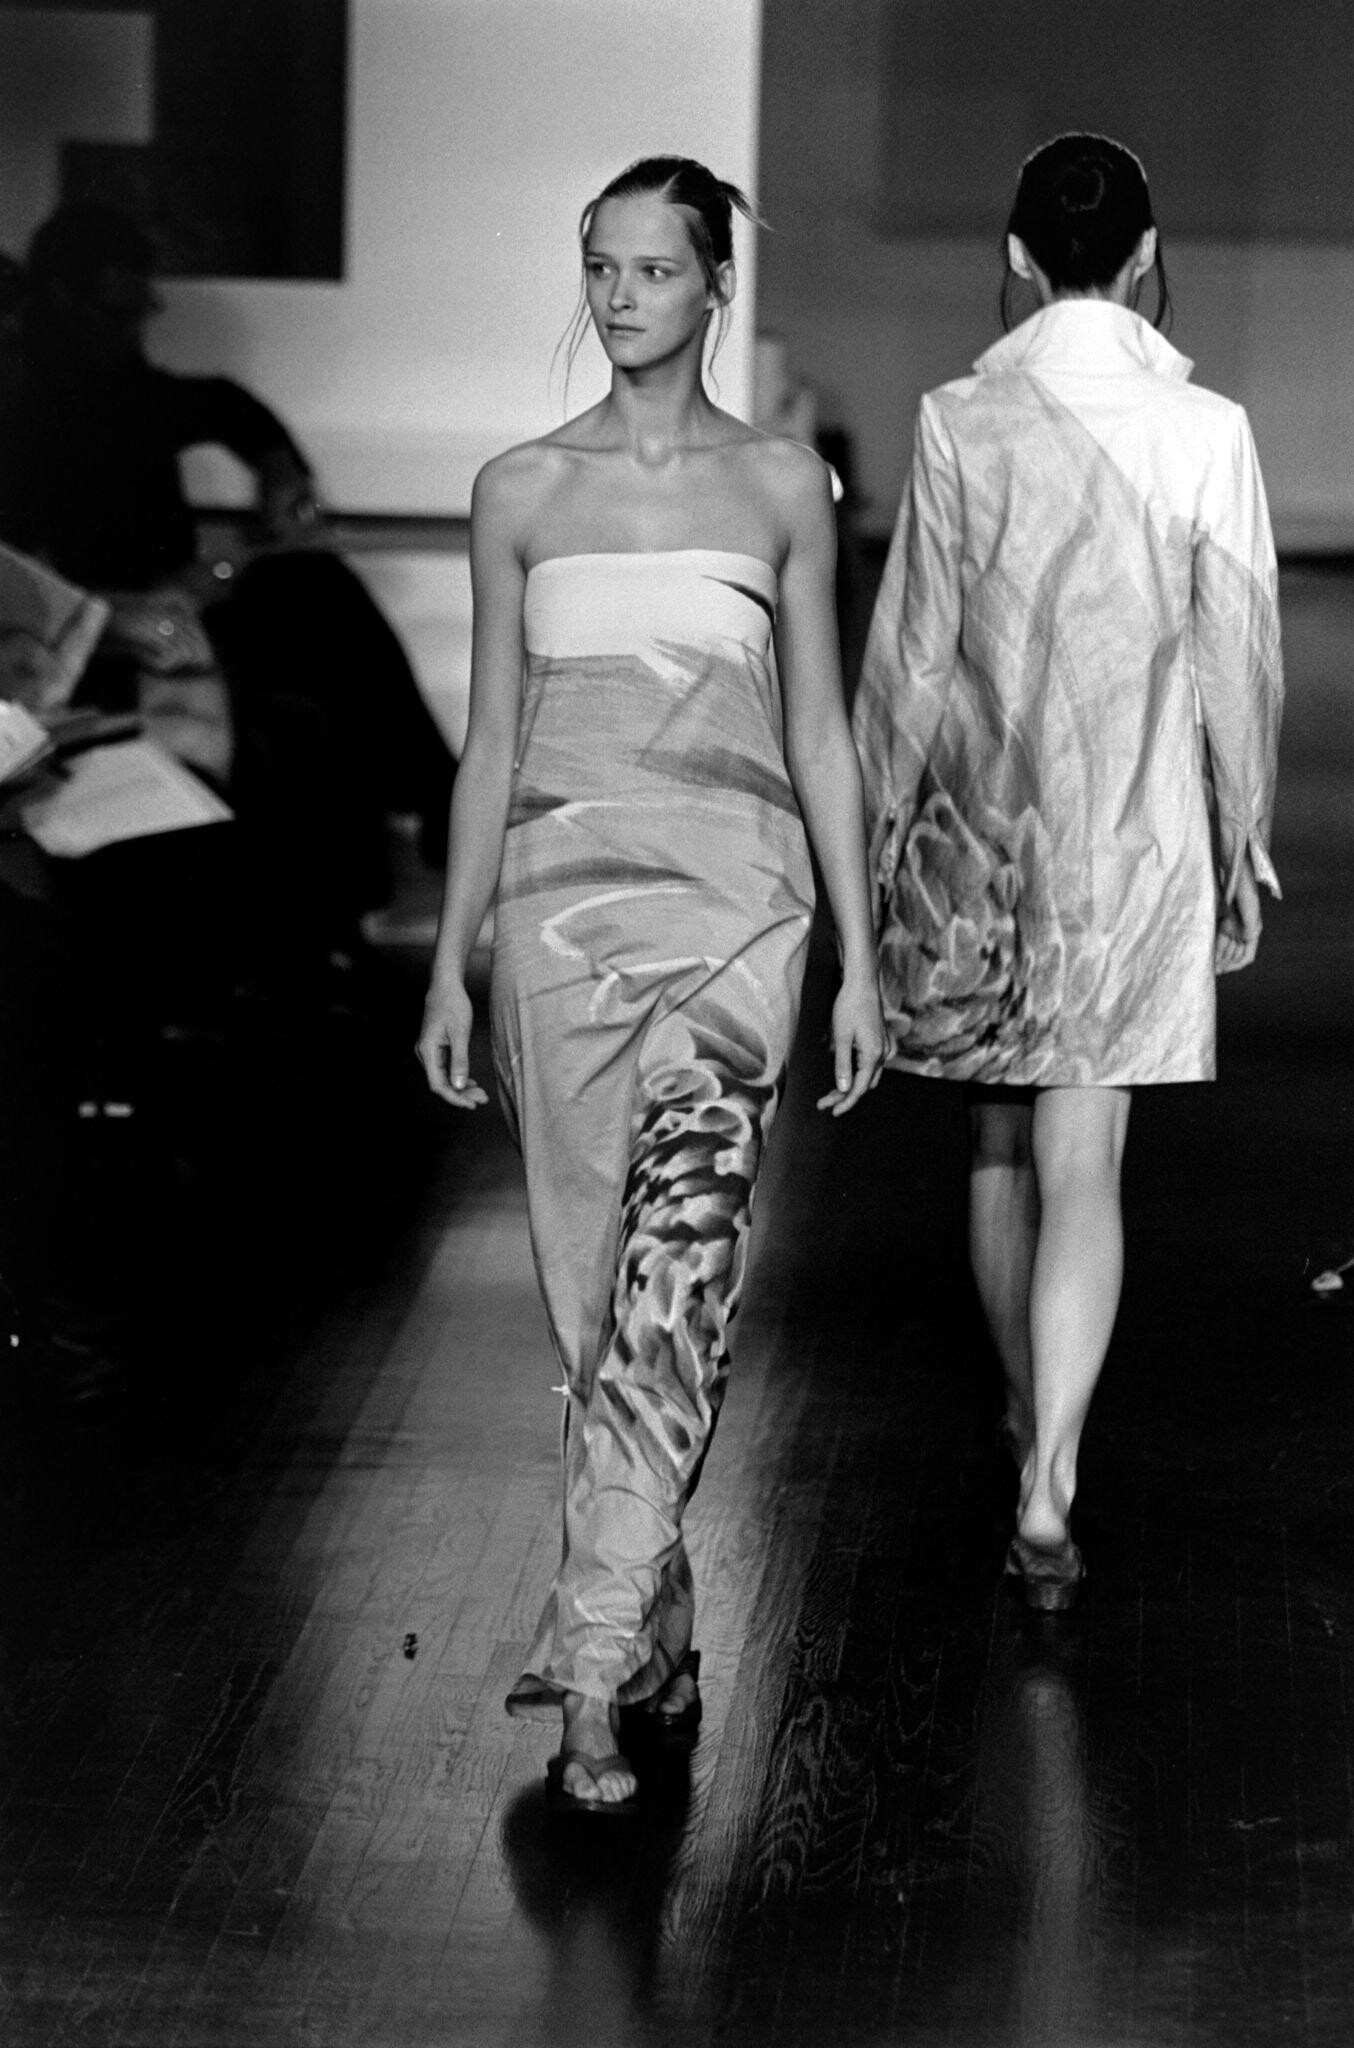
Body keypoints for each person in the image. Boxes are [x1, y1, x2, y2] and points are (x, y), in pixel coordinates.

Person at [417, 156, 885, 1810]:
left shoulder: (780, 487)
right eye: (598, 266)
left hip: (735, 925)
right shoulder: (518, 491)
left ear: (713, 286)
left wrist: (856, 956)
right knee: (590, 1310)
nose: (617, 296)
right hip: (554, 931)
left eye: (652, 269)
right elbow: (487, 744)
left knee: (677, 1274)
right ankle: (659, 1627)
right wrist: (448, 961)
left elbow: (820, 729)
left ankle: (590, 1678)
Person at [853, 134, 1283, 1611]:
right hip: (1134, 834)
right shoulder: (1204, 427)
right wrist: (1240, 829)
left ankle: (1024, 1413)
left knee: (995, 1148)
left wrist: (872, 831)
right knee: (1084, 1158)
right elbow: (1235, 650)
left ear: (1017, 259)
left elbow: (912, 651)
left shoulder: (955, 417)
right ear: (1148, 255)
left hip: (981, 832)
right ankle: (1052, 1475)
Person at [0, 201, 451, 993]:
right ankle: (431, 818)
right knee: (300, 698)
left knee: (315, 595)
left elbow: (222, 405)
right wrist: (122, 609)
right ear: (62, 300)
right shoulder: (26, 410)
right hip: (95, 642)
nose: (136, 328)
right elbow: (26, 591)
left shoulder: (122, 388)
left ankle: (429, 818)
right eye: (118, 310)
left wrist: (280, 469)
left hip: (169, 612)